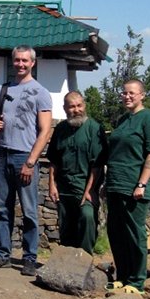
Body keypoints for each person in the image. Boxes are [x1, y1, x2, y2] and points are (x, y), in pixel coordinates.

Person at [0, 45, 52, 276]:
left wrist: (31, 162)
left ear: (33, 63)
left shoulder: (41, 92)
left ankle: (29, 257)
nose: (20, 64)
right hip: (3, 153)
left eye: (25, 61)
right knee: (2, 208)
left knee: (30, 210)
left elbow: (44, 131)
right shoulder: (2, 89)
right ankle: (2, 253)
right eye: (17, 60)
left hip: (25, 156)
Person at [105, 79, 150, 294]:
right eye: (124, 93)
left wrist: (142, 183)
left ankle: (137, 281)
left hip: (134, 187)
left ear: (142, 95)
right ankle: (122, 276)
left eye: (132, 93)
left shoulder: (149, 120)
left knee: (134, 234)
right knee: (116, 231)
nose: (127, 96)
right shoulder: (123, 120)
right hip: (115, 185)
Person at [47, 91, 107, 254]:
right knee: (66, 228)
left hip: (84, 188)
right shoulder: (60, 129)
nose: (76, 110)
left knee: (87, 218)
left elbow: (98, 164)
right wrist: (52, 184)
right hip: (64, 188)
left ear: (84, 105)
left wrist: (90, 191)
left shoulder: (94, 129)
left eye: (79, 105)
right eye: (72, 106)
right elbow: (54, 160)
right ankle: (67, 269)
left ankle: (85, 260)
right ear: (65, 108)